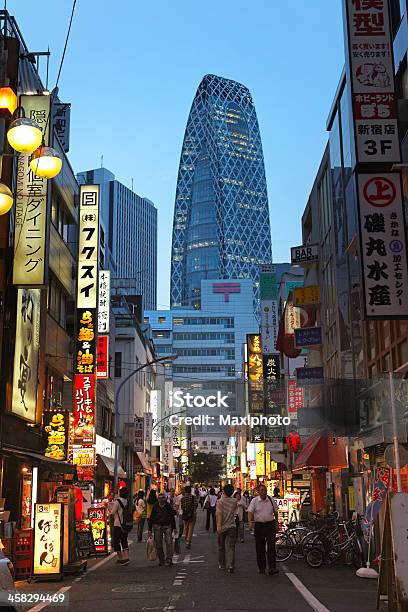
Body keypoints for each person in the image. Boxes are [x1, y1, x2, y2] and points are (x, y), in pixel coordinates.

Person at [247, 483, 279, 575]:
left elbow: (276, 511)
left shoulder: (271, 499)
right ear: (258, 492)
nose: (263, 492)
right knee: (259, 547)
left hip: (270, 525)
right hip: (259, 525)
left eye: (264, 490)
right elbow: (250, 512)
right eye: (261, 490)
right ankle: (261, 567)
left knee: (271, 547)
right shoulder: (254, 501)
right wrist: (250, 522)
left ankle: (272, 568)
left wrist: (276, 523)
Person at [148, 493, 177, 566]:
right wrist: (149, 529)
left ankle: (169, 559)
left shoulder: (168, 506)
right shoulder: (155, 506)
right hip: (157, 526)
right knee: (158, 544)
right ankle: (161, 560)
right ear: (158, 499)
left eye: (163, 498)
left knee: (169, 543)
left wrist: (174, 527)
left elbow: (172, 517)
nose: (162, 500)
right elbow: (151, 518)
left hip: (167, 526)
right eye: (160, 498)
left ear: (165, 499)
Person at [216, 483, 238, 573]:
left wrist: (219, 526)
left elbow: (219, 514)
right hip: (232, 525)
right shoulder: (234, 501)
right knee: (231, 547)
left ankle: (222, 564)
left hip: (222, 526)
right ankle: (231, 565)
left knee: (221, 546)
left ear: (224, 491)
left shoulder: (220, 502)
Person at [108, 487, 130, 565]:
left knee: (116, 541)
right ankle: (126, 558)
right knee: (124, 540)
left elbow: (112, 512)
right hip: (125, 524)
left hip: (117, 524)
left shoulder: (117, 502)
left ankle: (121, 558)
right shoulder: (127, 501)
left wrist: (108, 506)